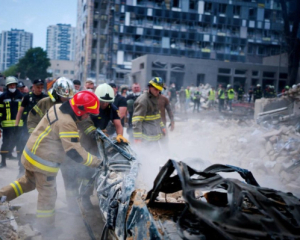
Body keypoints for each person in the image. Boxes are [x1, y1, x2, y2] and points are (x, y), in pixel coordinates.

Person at [0, 91, 103, 234]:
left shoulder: (58, 107)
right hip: (43, 163)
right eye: (88, 113)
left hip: (30, 154)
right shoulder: (67, 122)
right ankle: (46, 228)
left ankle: (1, 195)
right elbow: (74, 152)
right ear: (79, 109)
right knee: (48, 196)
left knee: (28, 182)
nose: (88, 116)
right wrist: (98, 163)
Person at [15, 79, 48, 175]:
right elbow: (20, 111)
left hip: (41, 128)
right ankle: (21, 169)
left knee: (39, 150)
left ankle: (36, 171)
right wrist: (16, 125)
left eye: (42, 87)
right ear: (33, 86)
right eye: (38, 87)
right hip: (27, 127)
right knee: (24, 148)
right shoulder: (27, 97)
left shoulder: (45, 98)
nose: (40, 89)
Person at [0, 77, 24, 168]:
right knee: (5, 143)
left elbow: (24, 111)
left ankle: (20, 163)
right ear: (7, 86)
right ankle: (3, 162)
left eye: (14, 84)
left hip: (19, 125)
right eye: (10, 85)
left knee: (19, 143)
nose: (12, 86)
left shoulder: (21, 96)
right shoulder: (3, 97)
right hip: (6, 126)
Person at [133, 77, 165, 143]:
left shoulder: (155, 98)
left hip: (154, 135)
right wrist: (137, 138)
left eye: (159, 90)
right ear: (150, 87)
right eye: (156, 89)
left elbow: (157, 116)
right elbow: (137, 120)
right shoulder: (143, 100)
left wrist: (162, 127)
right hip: (145, 138)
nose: (158, 92)